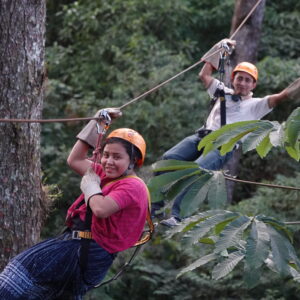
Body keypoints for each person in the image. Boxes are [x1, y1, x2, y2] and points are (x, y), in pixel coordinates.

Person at [0, 108, 150, 299]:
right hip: (79, 248)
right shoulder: (107, 175)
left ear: (133, 161)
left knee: (15, 277)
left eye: (117, 157)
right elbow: (75, 160)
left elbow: (101, 209)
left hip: (84, 251)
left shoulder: (133, 186)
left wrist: (91, 187)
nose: (109, 161)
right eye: (106, 155)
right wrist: (97, 124)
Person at [156, 39, 300, 227]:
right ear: (233, 79)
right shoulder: (222, 91)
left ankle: (178, 216)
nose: (242, 83)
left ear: (253, 85)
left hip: (223, 146)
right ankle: (154, 206)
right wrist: (219, 48)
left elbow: (282, 96)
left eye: (247, 80)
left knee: (196, 170)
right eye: (239, 78)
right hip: (203, 137)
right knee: (169, 158)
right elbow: (204, 74)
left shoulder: (257, 105)